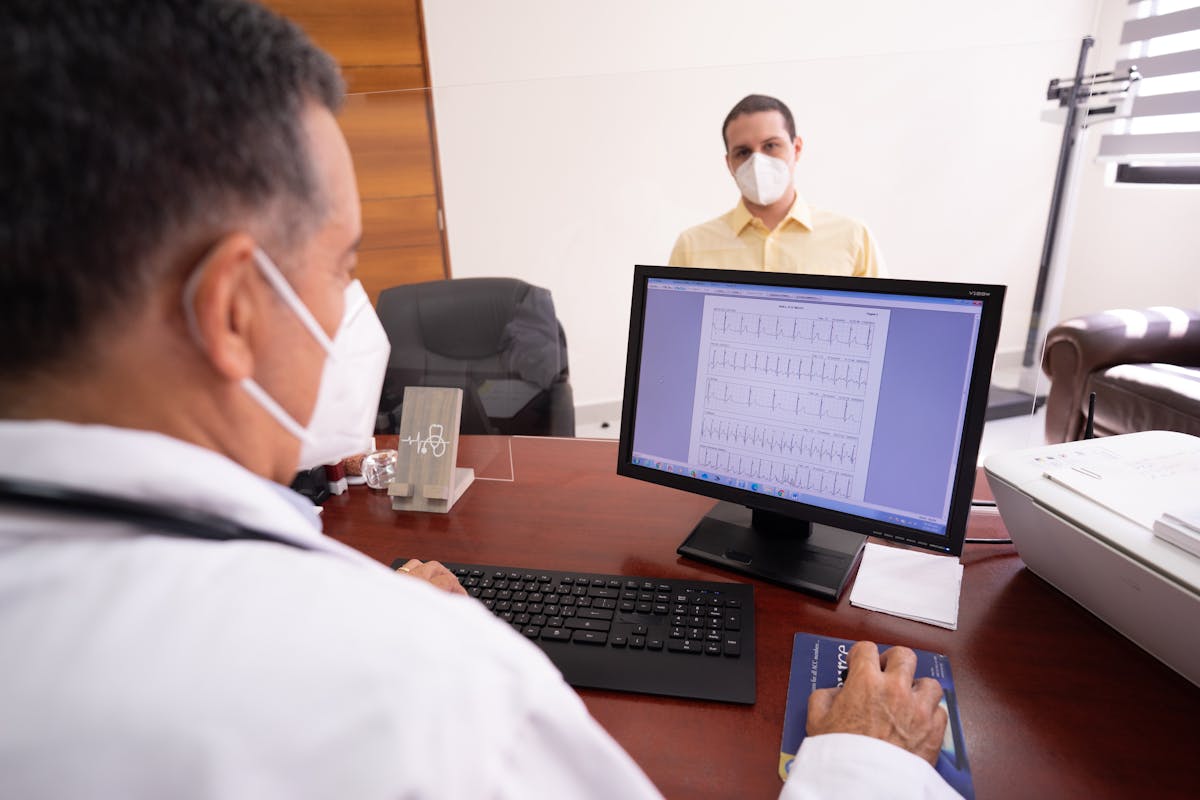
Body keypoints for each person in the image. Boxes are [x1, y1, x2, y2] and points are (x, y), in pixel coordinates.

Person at [0, 2, 954, 797]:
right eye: (343, 266)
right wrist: (863, 763)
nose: (357, 311)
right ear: (234, 310)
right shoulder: (416, 688)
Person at [669, 94, 886, 277]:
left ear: (797, 148)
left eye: (771, 145)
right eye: (743, 152)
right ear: (729, 164)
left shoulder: (853, 237)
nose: (757, 162)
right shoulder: (691, 246)